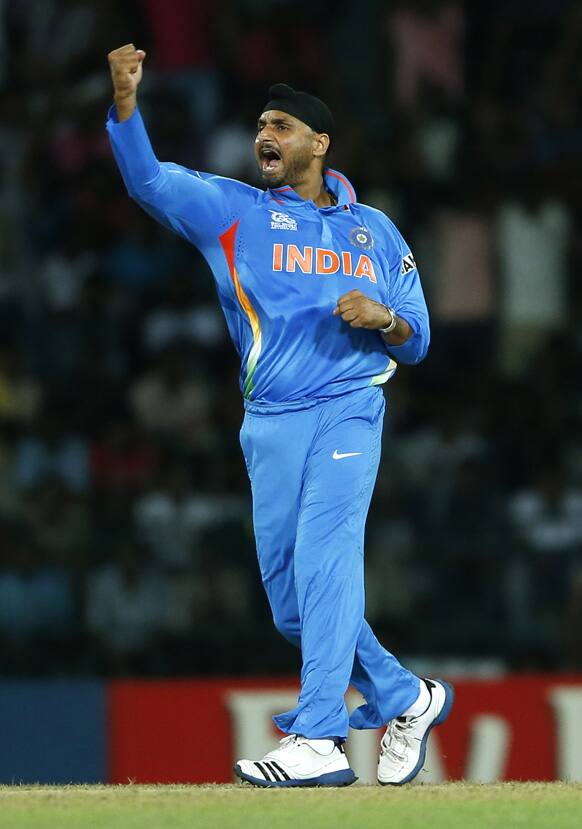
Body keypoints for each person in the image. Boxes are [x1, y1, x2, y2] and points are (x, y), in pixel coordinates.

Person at [106, 43, 454, 788]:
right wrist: (127, 107)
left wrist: (384, 316)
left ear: (319, 144)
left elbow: (419, 337)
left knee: (328, 561)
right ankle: (406, 695)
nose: (265, 135)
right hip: (269, 420)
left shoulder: (377, 232)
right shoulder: (236, 213)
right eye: (261, 123)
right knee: (294, 605)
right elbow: (147, 180)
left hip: (349, 408)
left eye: (283, 125)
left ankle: (319, 735)